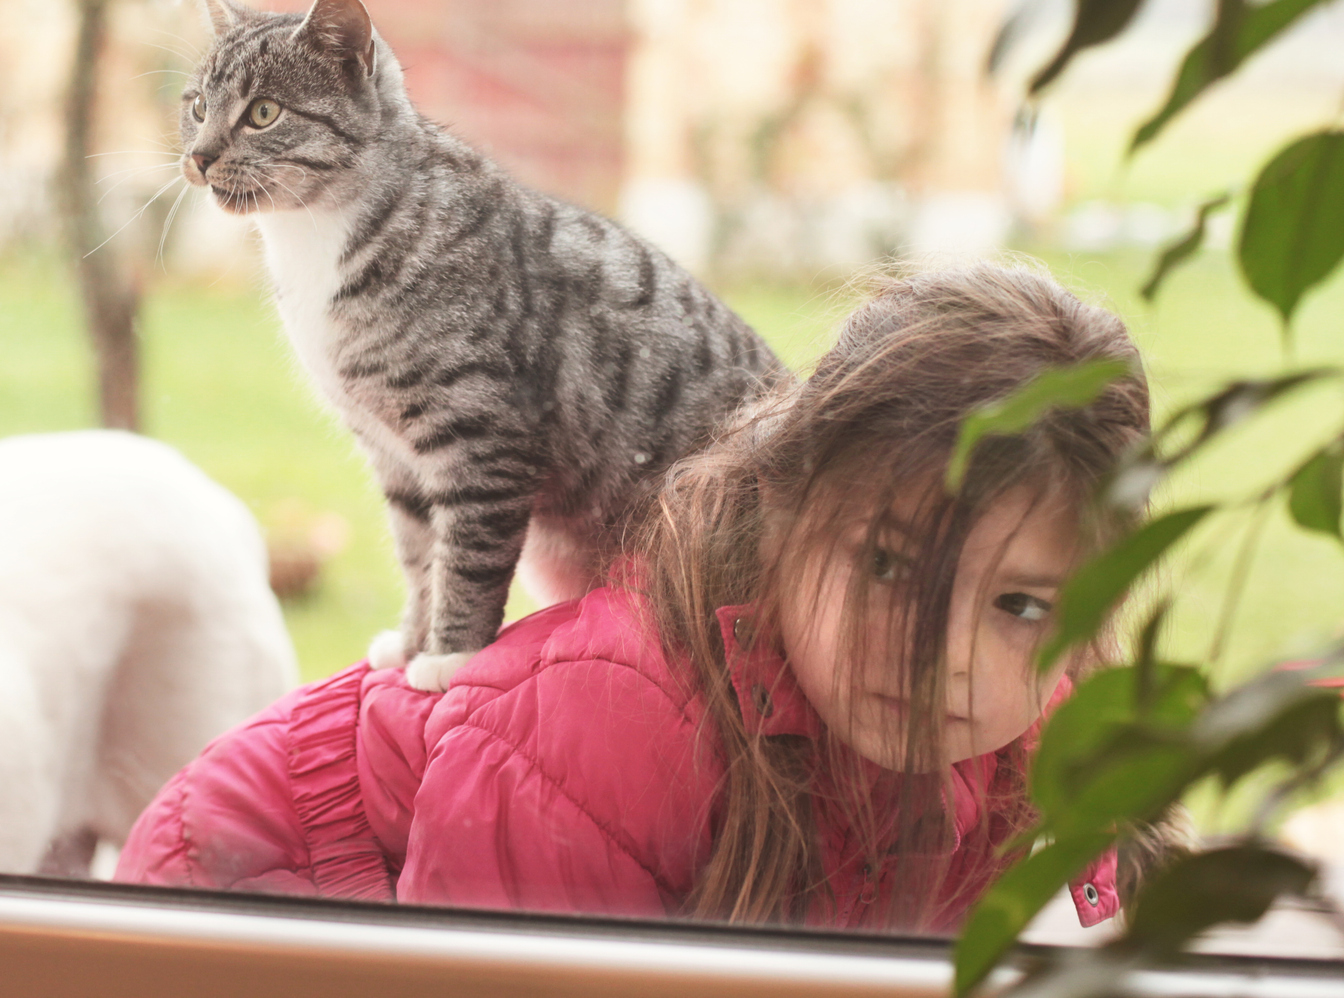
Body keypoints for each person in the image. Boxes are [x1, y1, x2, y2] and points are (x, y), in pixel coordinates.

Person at [116, 263, 1155, 932]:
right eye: (888, 566)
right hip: (256, 900)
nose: (946, 662)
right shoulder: (611, 725)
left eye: (1020, 606)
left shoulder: (1037, 734)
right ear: (786, 501)